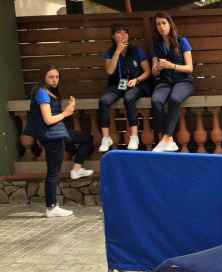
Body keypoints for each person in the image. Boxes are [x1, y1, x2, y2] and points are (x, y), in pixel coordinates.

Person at [23, 65, 94, 218]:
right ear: (43, 77)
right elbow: (48, 120)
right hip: (51, 136)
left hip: (57, 133)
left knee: (86, 138)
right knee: (53, 172)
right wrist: (67, 112)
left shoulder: (48, 91)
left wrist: (68, 108)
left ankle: (76, 169)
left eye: (56, 76)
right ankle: (51, 207)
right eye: (51, 77)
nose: (55, 80)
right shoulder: (42, 93)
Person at [98, 24, 152, 152]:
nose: (123, 35)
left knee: (129, 97)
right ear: (113, 36)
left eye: (125, 32)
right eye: (119, 32)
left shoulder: (136, 50)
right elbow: (110, 71)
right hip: (118, 84)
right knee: (103, 101)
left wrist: (137, 79)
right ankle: (106, 138)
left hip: (137, 84)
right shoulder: (110, 52)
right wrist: (117, 52)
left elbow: (147, 71)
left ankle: (134, 136)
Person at [150, 11, 194, 152]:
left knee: (174, 99)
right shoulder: (157, 45)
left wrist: (172, 66)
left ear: (170, 24)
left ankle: (165, 138)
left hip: (184, 81)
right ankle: (169, 140)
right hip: (166, 81)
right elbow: (154, 70)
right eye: (158, 24)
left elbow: (190, 68)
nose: (161, 26)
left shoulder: (182, 41)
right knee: (156, 100)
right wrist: (156, 68)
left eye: (164, 23)